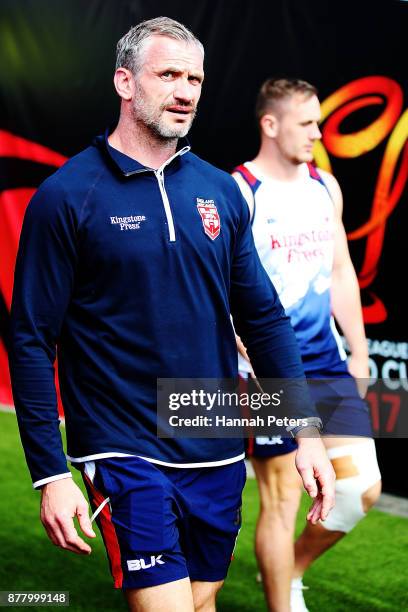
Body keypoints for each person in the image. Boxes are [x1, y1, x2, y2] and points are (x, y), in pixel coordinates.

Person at [9, 21, 335, 612]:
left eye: (195, 78)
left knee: (201, 597)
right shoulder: (67, 195)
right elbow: (32, 338)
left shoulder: (221, 191)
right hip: (121, 444)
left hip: (214, 440)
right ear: (124, 82)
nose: (186, 90)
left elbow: (261, 318)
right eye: (169, 74)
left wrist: (306, 429)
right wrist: (51, 473)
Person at [233, 78, 382, 612]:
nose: (319, 133)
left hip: (326, 358)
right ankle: (283, 601)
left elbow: (341, 270)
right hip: (272, 369)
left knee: (362, 487)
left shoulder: (326, 186)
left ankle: (291, 570)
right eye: (307, 123)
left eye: (319, 121)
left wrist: (359, 350)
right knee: (282, 500)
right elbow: (218, 285)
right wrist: (240, 341)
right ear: (270, 125)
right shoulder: (240, 191)